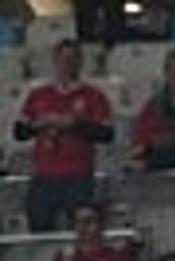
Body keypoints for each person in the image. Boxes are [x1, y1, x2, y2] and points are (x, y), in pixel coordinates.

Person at [14, 39, 114, 231]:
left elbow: (107, 133)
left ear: (80, 62)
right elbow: (19, 132)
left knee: (80, 228)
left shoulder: (93, 96)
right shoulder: (38, 95)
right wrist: (40, 125)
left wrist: (75, 125)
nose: (68, 63)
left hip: (79, 175)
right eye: (63, 58)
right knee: (39, 226)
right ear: (55, 61)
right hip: (44, 175)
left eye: (73, 58)